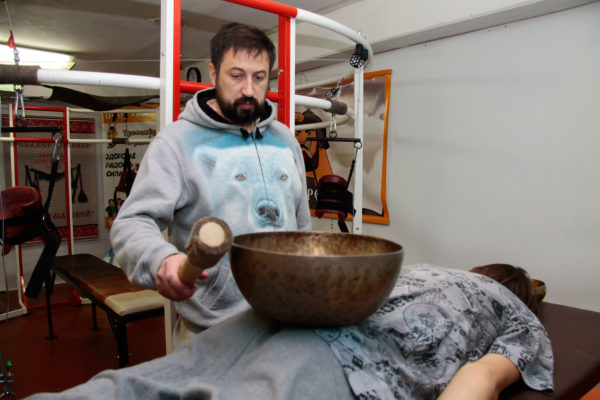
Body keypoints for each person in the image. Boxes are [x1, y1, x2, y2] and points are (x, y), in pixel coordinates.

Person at [25, 264, 553, 400]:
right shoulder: (518, 317)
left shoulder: (427, 268)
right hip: (343, 356)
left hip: (274, 315)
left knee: (149, 381)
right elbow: (479, 380)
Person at [109, 22, 311, 346]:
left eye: (259, 77)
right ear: (213, 73)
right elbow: (132, 222)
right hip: (213, 334)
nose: (249, 90)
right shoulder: (176, 144)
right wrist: (161, 259)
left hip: (287, 324)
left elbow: (302, 229)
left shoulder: (285, 140)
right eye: (237, 76)